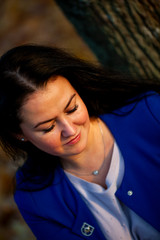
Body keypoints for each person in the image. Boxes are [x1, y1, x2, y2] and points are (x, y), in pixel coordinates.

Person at [0, 44, 160, 240]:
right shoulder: (35, 198)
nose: (70, 129)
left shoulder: (151, 115)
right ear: (19, 134)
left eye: (72, 108)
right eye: (48, 127)